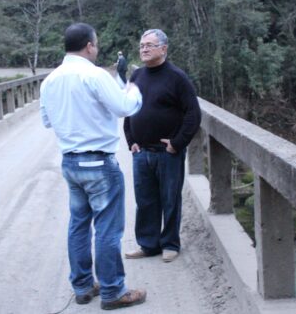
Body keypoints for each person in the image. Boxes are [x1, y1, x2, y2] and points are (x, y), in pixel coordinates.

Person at [40, 23, 147, 310]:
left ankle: (83, 286)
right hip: (99, 163)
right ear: (89, 45)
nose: (96, 49)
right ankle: (113, 290)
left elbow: (47, 120)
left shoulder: (49, 81)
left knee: (78, 226)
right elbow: (125, 107)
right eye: (96, 45)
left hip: (71, 162)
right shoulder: (95, 75)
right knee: (108, 230)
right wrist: (133, 89)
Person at [123, 29, 201, 263]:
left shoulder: (177, 78)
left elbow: (193, 114)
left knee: (170, 199)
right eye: (141, 45)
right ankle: (148, 244)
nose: (144, 49)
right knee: (145, 201)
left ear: (164, 48)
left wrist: (177, 143)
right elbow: (128, 109)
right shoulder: (137, 77)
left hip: (167, 153)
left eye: (150, 45)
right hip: (141, 152)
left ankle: (170, 243)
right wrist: (131, 140)